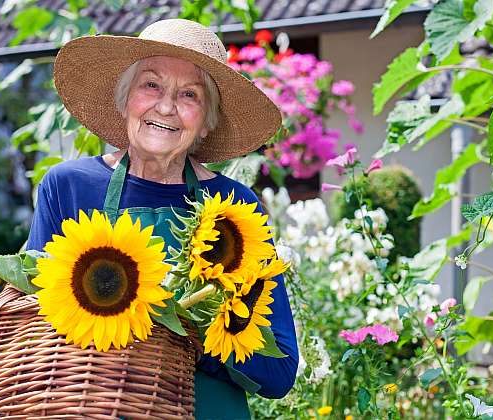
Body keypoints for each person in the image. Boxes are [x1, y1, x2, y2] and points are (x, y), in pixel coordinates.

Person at [26, 18, 298, 419]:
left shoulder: (233, 206)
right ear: (124, 100)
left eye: (189, 94)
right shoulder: (69, 187)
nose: (166, 106)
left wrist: (191, 330)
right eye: (151, 84)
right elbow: (31, 326)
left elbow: (279, 371)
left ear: (206, 122)